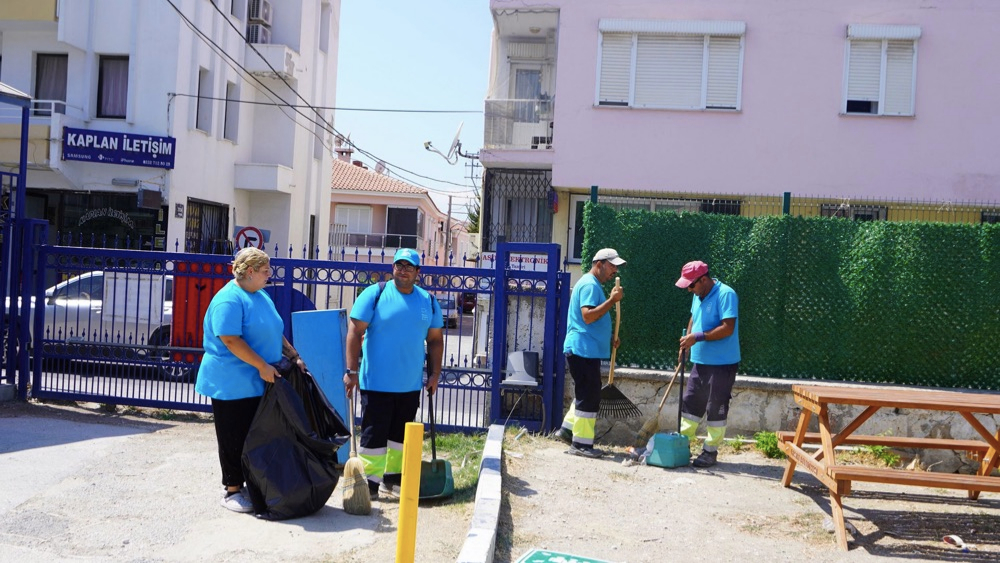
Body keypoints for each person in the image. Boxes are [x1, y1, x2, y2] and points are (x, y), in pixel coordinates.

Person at [196, 247, 307, 512]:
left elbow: (274, 331)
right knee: (233, 434)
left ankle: (253, 483)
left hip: (258, 380)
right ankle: (233, 489)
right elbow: (231, 339)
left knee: (254, 434)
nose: (270, 274)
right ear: (249, 272)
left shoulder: (259, 296)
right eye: (266, 270)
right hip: (232, 381)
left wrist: (294, 355)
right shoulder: (229, 300)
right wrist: (261, 365)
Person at [344, 248, 444, 497]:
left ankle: (392, 480)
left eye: (409, 266)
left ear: (418, 272)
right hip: (376, 382)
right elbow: (354, 333)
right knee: (374, 436)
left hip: (409, 385)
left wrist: (435, 374)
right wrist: (351, 371)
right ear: (393, 268)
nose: (403, 270)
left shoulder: (428, 301)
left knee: (401, 438)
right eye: (399, 265)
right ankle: (369, 485)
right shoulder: (375, 294)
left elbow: (434, 341)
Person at [553, 248, 626, 459]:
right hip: (583, 350)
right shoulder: (590, 285)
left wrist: (609, 337)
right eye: (612, 265)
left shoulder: (591, 284)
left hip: (585, 349)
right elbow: (587, 316)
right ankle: (581, 444)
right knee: (589, 395)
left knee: (585, 392)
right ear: (599, 264)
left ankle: (568, 430)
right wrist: (612, 301)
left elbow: (592, 319)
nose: (614, 270)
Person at [675, 260, 740, 468]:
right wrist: (685, 344)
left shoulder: (726, 294)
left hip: (722, 364)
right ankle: (682, 444)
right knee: (690, 403)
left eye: (691, 285)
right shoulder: (698, 295)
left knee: (715, 407)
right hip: (700, 361)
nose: (689, 290)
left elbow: (728, 328)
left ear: (703, 279)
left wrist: (698, 337)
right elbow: (693, 319)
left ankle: (710, 451)